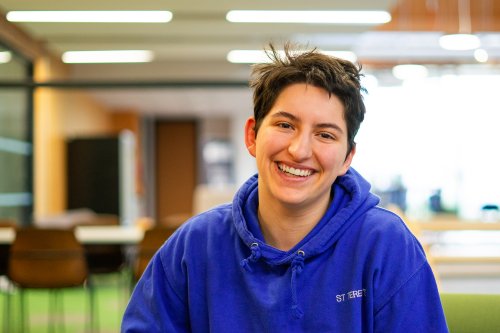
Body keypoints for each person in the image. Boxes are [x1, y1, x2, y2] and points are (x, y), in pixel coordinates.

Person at [122, 43, 448, 332]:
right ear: (252, 136)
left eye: (325, 134)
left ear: (348, 157)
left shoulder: (387, 246)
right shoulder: (194, 246)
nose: (299, 150)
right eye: (285, 125)